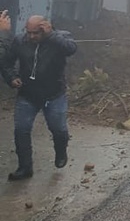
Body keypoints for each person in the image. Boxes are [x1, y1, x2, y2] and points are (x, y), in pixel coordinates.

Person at [1, 14, 77, 181]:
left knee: (58, 129)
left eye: (36, 33)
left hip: (54, 94)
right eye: (28, 32)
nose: (32, 36)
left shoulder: (60, 38)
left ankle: (60, 151)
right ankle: (25, 167)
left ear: (44, 29)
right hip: (27, 94)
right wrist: (12, 77)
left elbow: (71, 49)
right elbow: (6, 62)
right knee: (21, 130)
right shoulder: (20, 41)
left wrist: (52, 36)